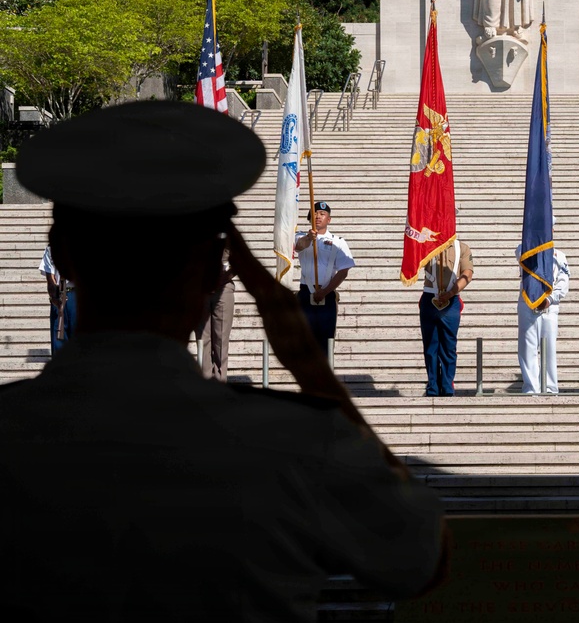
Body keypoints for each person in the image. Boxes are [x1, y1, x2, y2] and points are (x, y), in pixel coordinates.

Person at [2, 101, 446, 622]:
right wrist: (313, 374)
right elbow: (419, 555)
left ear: (62, 251)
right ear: (215, 268)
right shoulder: (290, 443)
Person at [294, 201, 355, 351]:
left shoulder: (338, 241)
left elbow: (343, 271)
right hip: (305, 293)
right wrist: (309, 238)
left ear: (329, 219)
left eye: (322, 214)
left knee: (326, 341)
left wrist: (325, 291)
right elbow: (299, 246)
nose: (318, 216)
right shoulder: (301, 236)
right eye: (315, 213)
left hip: (326, 294)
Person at [420, 237, 474, 396]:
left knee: (449, 347)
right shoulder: (427, 245)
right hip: (430, 298)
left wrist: (451, 292)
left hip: (451, 300)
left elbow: (467, 274)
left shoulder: (462, 248)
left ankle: (447, 386)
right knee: (430, 346)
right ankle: (433, 387)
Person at [515, 243, 570, 394]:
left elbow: (563, 281)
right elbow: (520, 252)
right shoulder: (525, 249)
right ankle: (531, 388)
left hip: (550, 306)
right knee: (528, 348)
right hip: (528, 302)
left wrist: (550, 299)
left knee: (549, 347)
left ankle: (550, 388)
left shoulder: (559, 255)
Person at [195, 245, 235, 381]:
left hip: (223, 287)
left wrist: (222, 278)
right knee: (202, 338)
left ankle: (220, 382)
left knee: (221, 340)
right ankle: (204, 383)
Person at [39, 244, 76, 354]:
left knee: (59, 345)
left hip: (59, 297)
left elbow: (51, 283)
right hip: (75, 297)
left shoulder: (51, 248)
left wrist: (54, 299)